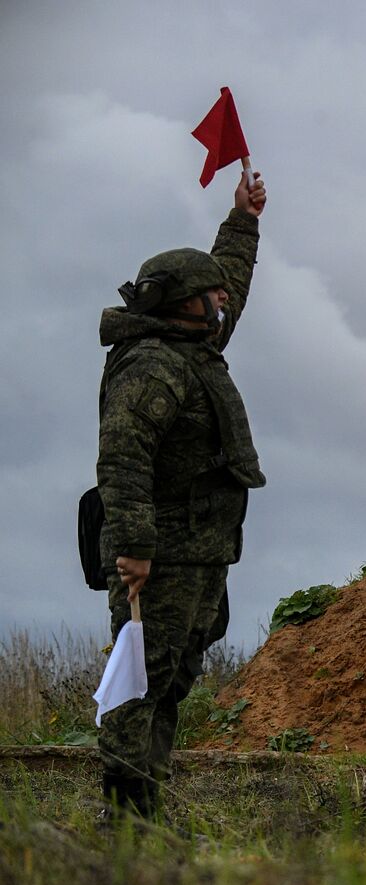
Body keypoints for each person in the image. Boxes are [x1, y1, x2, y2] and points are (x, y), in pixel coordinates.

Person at [95, 172, 267, 817]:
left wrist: (243, 220)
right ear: (183, 304)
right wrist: (136, 549)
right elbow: (123, 457)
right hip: (160, 554)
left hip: (200, 549)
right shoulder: (153, 365)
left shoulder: (191, 343)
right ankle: (127, 818)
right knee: (140, 683)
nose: (224, 300)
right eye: (212, 295)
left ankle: (149, 813)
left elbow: (230, 279)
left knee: (171, 679)